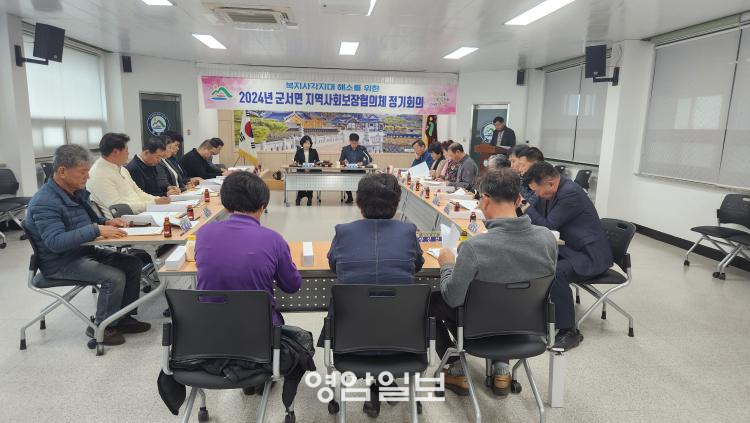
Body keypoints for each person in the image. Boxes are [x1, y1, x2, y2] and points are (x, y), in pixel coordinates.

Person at [434, 168, 557, 396]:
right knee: (507, 296)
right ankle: (501, 367)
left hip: (478, 325)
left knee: (430, 302)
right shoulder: (547, 238)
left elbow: (453, 298)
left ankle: (455, 367)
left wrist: (447, 264)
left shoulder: (474, 247)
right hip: (525, 323)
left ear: (485, 200)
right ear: (519, 200)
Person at [25, 145, 151, 346]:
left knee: (132, 263)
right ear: (62, 171)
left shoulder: (75, 192)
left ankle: (122, 317)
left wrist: (106, 222)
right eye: (83, 172)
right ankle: (102, 328)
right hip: (59, 263)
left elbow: (91, 220)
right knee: (114, 276)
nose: (88, 177)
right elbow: (55, 242)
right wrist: (97, 229)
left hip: (82, 252)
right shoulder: (45, 202)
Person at [325, 172, 424, 417]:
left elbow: (334, 265)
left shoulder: (344, 232)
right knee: (385, 311)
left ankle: (379, 385)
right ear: (397, 203)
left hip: (350, 341)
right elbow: (418, 265)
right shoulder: (408, 232)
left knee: (368, 312)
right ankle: (383, 384)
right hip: (403, 340)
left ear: (359, 203)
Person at [521, 162, 613, 351]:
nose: (537, 194)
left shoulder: (571, 193)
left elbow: (548, 225)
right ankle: (542, 316)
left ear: (550, 183)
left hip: (588, 254)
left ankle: (569, 331)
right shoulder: (549, 191)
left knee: (556, 273)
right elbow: (535, 213)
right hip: (570, 248)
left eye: (537, 190)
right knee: (535, 262)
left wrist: (526, 207)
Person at [195, 171, 301, 326]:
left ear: (226, 204)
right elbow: (292, 286)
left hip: (209, 328)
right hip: (259, 330)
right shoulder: (273, 239)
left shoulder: (203, 233)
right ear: (262, 206)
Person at [87, 133, 170, 218]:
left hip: (140, 214)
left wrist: (156, 199)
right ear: (115, 152)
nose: (128, 153)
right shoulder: (99, 175)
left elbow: (138, 192)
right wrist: (153, 203)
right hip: (124, 221)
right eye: (126, 150)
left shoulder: (122, 169)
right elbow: (119, 209)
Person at [338, 133, 372, 204]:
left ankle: (361, 197)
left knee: (363, 181)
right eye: (352, 143)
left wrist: (363, 163)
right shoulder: (345, 149)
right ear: (350, 141)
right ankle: (349, 196)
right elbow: (340, 160)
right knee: (343, 176)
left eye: (356, 143)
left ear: (358, 142)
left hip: (359, 171)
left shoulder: (362, 149)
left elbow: (369, 159)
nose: (354, 144)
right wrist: (344, 162)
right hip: (348, 170)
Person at [293, 135, 320, 206]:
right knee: (301, 181)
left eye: (308, 143)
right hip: (301, 172)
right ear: (302, 143)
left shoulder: (314, 151)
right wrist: (295, 162)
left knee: (310, 181)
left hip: (311, 172)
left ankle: (309, 197)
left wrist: (315, 164)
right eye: (305, 143)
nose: (307, 145)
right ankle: (299, 196)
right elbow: (295, 161)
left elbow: (317, 161)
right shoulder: (299, 151)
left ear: (310, 144)